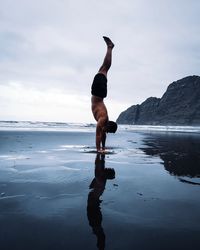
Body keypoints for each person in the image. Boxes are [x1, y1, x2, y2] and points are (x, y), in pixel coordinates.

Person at [91, 36, 118, 153]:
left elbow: (102, 134)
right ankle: (110, 48)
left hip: (99, 93)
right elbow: (98, 135)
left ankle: (110, 48)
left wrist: (103, 147)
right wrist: (99, 150)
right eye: (108, 131)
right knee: (104, 68)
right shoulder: (103, 119)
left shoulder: (104, 122)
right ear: (108, 125)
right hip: (98, 92)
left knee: (104, 68)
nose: (106, 132)